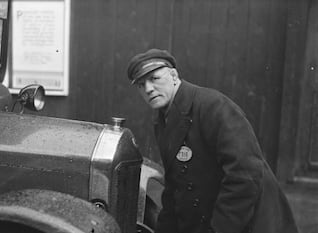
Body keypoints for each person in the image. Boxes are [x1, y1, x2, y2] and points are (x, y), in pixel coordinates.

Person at [126, 48, 298, 233]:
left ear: (174, 75)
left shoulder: (213, 106)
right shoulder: (163, 121)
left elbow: (245, 176)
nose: (148, 89)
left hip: (252, 223)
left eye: (155, 79)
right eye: (141, 85)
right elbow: (175, 188)